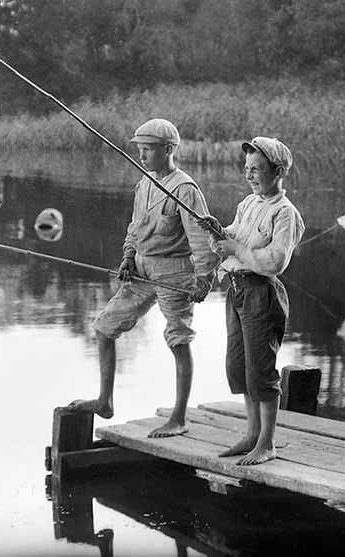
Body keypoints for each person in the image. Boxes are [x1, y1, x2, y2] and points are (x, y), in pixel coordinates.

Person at [66, 118, 216, 438]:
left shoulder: (185, 189)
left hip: (175, 271)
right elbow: (134, 228)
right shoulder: (145, 183)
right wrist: (128, 257)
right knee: (104, 328)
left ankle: (178, 417)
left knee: (178, 339)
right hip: (142, 270)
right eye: (140, 149)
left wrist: (204, 278)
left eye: (148, 149)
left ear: (169, 150)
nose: (143, 156)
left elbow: (201, 239)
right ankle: (105, 401)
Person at [198, 136, 304, 465]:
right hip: (236, 290)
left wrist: (236, 249)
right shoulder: (247, 204)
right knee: (239, 368)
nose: (250, 175)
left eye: (257, 169)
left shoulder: (285, 213)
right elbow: (235, 237)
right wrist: (220, 232)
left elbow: (274, 261)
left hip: (262, 294)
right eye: (247, 169)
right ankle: (251, 434)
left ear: (278, 171)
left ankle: (267, 443)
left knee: (261, 372)